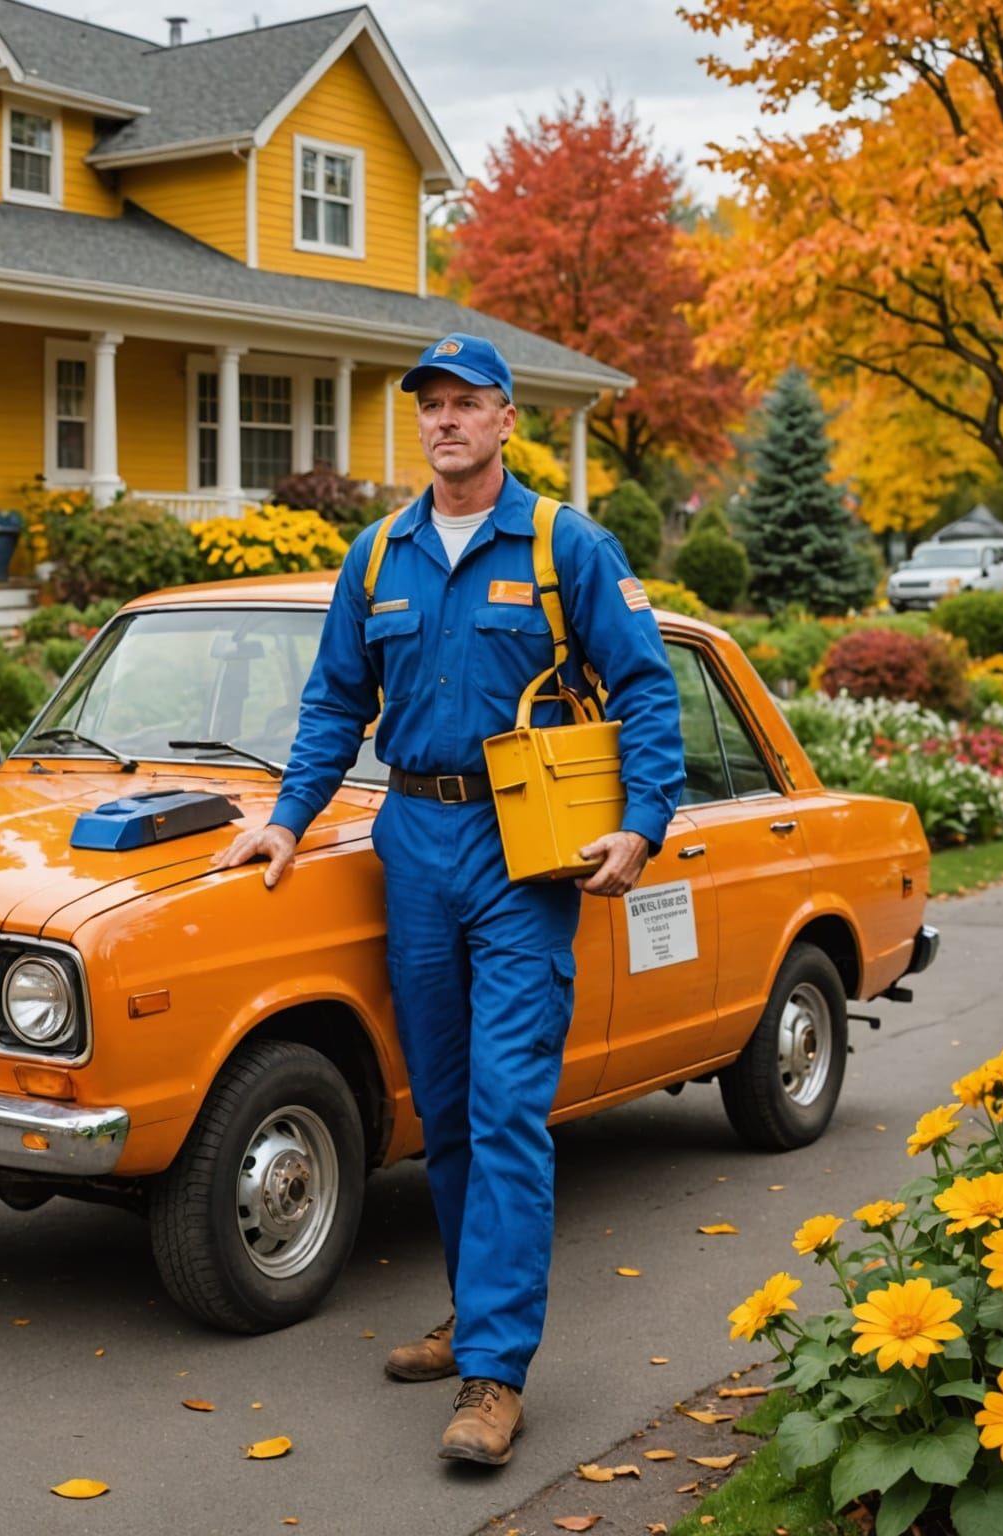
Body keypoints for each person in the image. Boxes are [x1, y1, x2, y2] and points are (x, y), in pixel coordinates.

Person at [214, 333, 684, 1465]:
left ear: (508, 419)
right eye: (431, 405)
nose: (446, 420)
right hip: (413, 842)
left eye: (468, 402)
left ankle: (494, 1374)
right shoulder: (379, 555)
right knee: (446, 1108)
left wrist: (642, 822)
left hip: (524, 850)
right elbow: (334, 702)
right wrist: (288, 816)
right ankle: (478, 1315)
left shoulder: (566, 544)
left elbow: (648, 687)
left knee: (509, 1107)